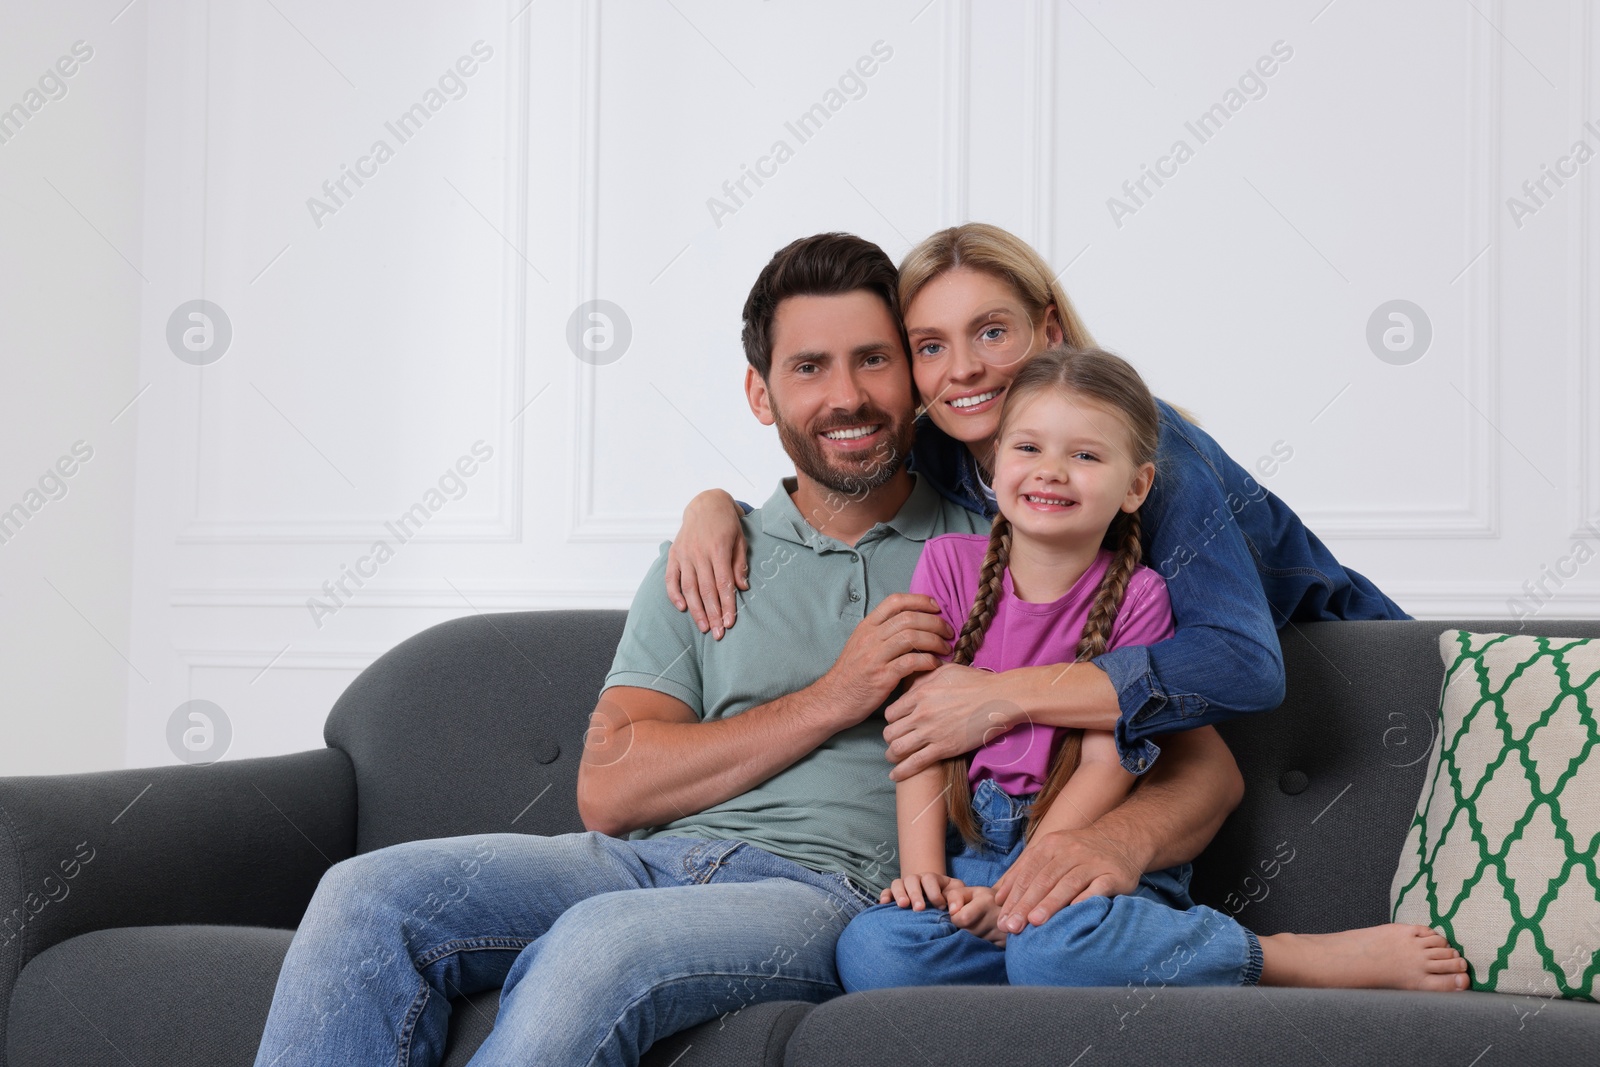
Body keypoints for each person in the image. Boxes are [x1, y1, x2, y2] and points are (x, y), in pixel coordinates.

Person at [252, 232, 1243, 1067]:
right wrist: (838, 688)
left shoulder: (1006, 545)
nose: (846, 395)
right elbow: (612, 790)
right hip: (637, 861)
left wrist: (1081, 845)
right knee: (364, 890)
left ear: (912, 374)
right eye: (808, 368)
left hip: (827, 887)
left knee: (598, 947)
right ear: (761, 394)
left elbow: (1187, 751)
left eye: (873, 359)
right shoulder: (707, 556)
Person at [664, 222, 1410, 935]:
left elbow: (1242, 663)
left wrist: (999, 696)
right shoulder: (948, 447)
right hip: (1136, 740)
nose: (963, 369)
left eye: (992, 332)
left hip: (1347, 672)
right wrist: (716, 508)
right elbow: (835, 477)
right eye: (930, 346)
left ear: (1049, 332)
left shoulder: (1150, 449)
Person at [832, 345, 1468, 992]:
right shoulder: (945, 566)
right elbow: (918, 737)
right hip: (976, 858)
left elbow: (1108, 761)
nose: (1051, 471)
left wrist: (1026, 882)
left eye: (1084, 455)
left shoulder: (1141, 596)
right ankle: (1022, 946)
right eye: (1028, 449)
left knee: (1053, 950)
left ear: (1136, 486)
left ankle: (1280, 957)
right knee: (875, 949)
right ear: (993, 463)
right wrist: (926, 877)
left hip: (1084, 843)